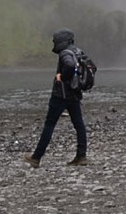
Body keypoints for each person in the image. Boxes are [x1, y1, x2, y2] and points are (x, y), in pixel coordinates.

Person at [23, 28, 89, 167]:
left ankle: (36, 157)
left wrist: (62, 77)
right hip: (74, 94)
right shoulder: (78, 51)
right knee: (79, 124)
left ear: (61, 41)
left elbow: (70, 65)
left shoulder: (65, 53)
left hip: (61, 95)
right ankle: (81, 156)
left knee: (49, 124)